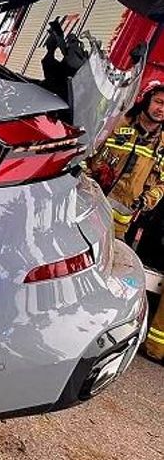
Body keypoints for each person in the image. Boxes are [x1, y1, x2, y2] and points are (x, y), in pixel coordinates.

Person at [88, 80, 164, 360]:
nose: (161, 109)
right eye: (158, 102)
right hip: (88, 204)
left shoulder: (162, 145)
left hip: (121, 223)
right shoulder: (119, 123)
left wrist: (147, 200)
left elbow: (162, 183)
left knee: (106, 273)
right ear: (146, 100)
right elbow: (90, 151)